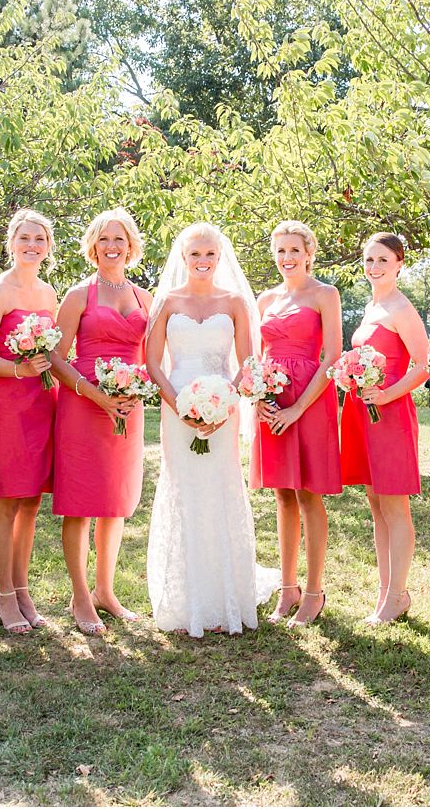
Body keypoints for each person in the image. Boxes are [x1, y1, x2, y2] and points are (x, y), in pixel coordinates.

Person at [144, 222, 278, 637]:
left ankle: (224, 599)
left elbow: (247, 363)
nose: (202, 262)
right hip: (176, 407)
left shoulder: (235, 301)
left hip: (223, 408)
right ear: (182, 258)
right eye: (195, 255)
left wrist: (224, 405)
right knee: (183, 491)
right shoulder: (167, 301)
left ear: (220, 258)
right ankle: (187, 604)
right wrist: (178, 405)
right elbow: (152, 363)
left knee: (220, 490)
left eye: (210, 255)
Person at [50, 209, 153, 635]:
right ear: (93, 246)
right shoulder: (78, 295)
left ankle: (105, 591)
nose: (113, 246)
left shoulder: (146, 297)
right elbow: (55, 356)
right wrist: (94, 394)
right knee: (80, 503)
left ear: (131, 246)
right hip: (82, 405)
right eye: (104, 239)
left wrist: (135, 391)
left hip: (127, 408)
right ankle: (79, 596)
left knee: (115, 503)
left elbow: (151, 357)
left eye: (120, 239)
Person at [251, 220, 342, 628]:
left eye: (294, 250)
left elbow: (333, 357)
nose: (286, 258)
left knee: (308, 494)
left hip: (309, 400)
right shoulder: (264, 298)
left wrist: (297, 409)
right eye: (280, 251)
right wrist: (261, 400)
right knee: (282, 495)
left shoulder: (325, 294)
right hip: (272, 400)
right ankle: (286, 587)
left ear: (309, 253)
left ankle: (313, 591)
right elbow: (256, 356)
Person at [0, 208, 60, 634]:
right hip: (8, 402)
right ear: (11, 243)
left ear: (48, 246)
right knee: (8, 499)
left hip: (43, 401)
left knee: (31, 501)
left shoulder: (48, 293)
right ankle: (4, 594)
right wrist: (17, 370)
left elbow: (56, 350)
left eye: (39, 239)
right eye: (24, 238)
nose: (31, 246)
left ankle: (23, 588)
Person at [339, 233, 430, 625]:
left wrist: (389, 394)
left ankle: (398, 594)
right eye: (369, 260)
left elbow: (424, 365)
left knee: (394, 506)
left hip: (389, 415)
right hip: (364, 413)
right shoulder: (372, 305)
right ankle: (385, 592)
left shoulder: (400, 307)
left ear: (399, 264)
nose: (374, 267)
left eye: (382, 260)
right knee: (375, 504)